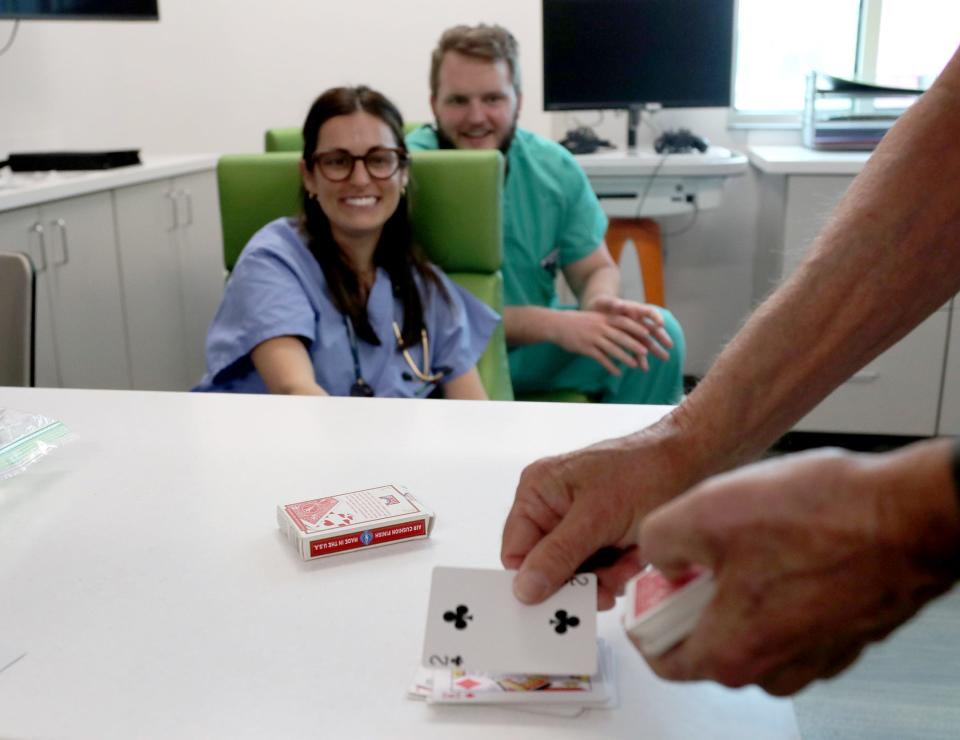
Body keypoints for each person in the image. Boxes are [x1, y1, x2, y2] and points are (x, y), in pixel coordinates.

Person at [500, 43, 960, 696]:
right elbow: (943, 170)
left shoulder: (550, 167)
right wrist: (684, 445)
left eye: (493, 96)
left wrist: (908, 512)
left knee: (659, 330)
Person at [406, 24, 685, 404]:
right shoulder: (403, 171)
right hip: (430, 355)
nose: (476, 117)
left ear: (518, 101)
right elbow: (403, 307)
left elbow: (595, 268)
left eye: (492, 99)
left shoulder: (554, 168)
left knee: (653, 335)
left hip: (528, 353)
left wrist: (597, 303)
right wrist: (551, 324)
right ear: (433, 103)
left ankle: (630, 464)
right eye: (458, 101)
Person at [195, 86, 498, 399]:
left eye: (379, 160)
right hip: (276, 442)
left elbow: (475, 417)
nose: (360, 179)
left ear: (403, 173)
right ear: (309, 176)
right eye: (338, 162)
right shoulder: (273, 261)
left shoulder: (426, 290)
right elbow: (294, 389)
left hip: (380, 446)